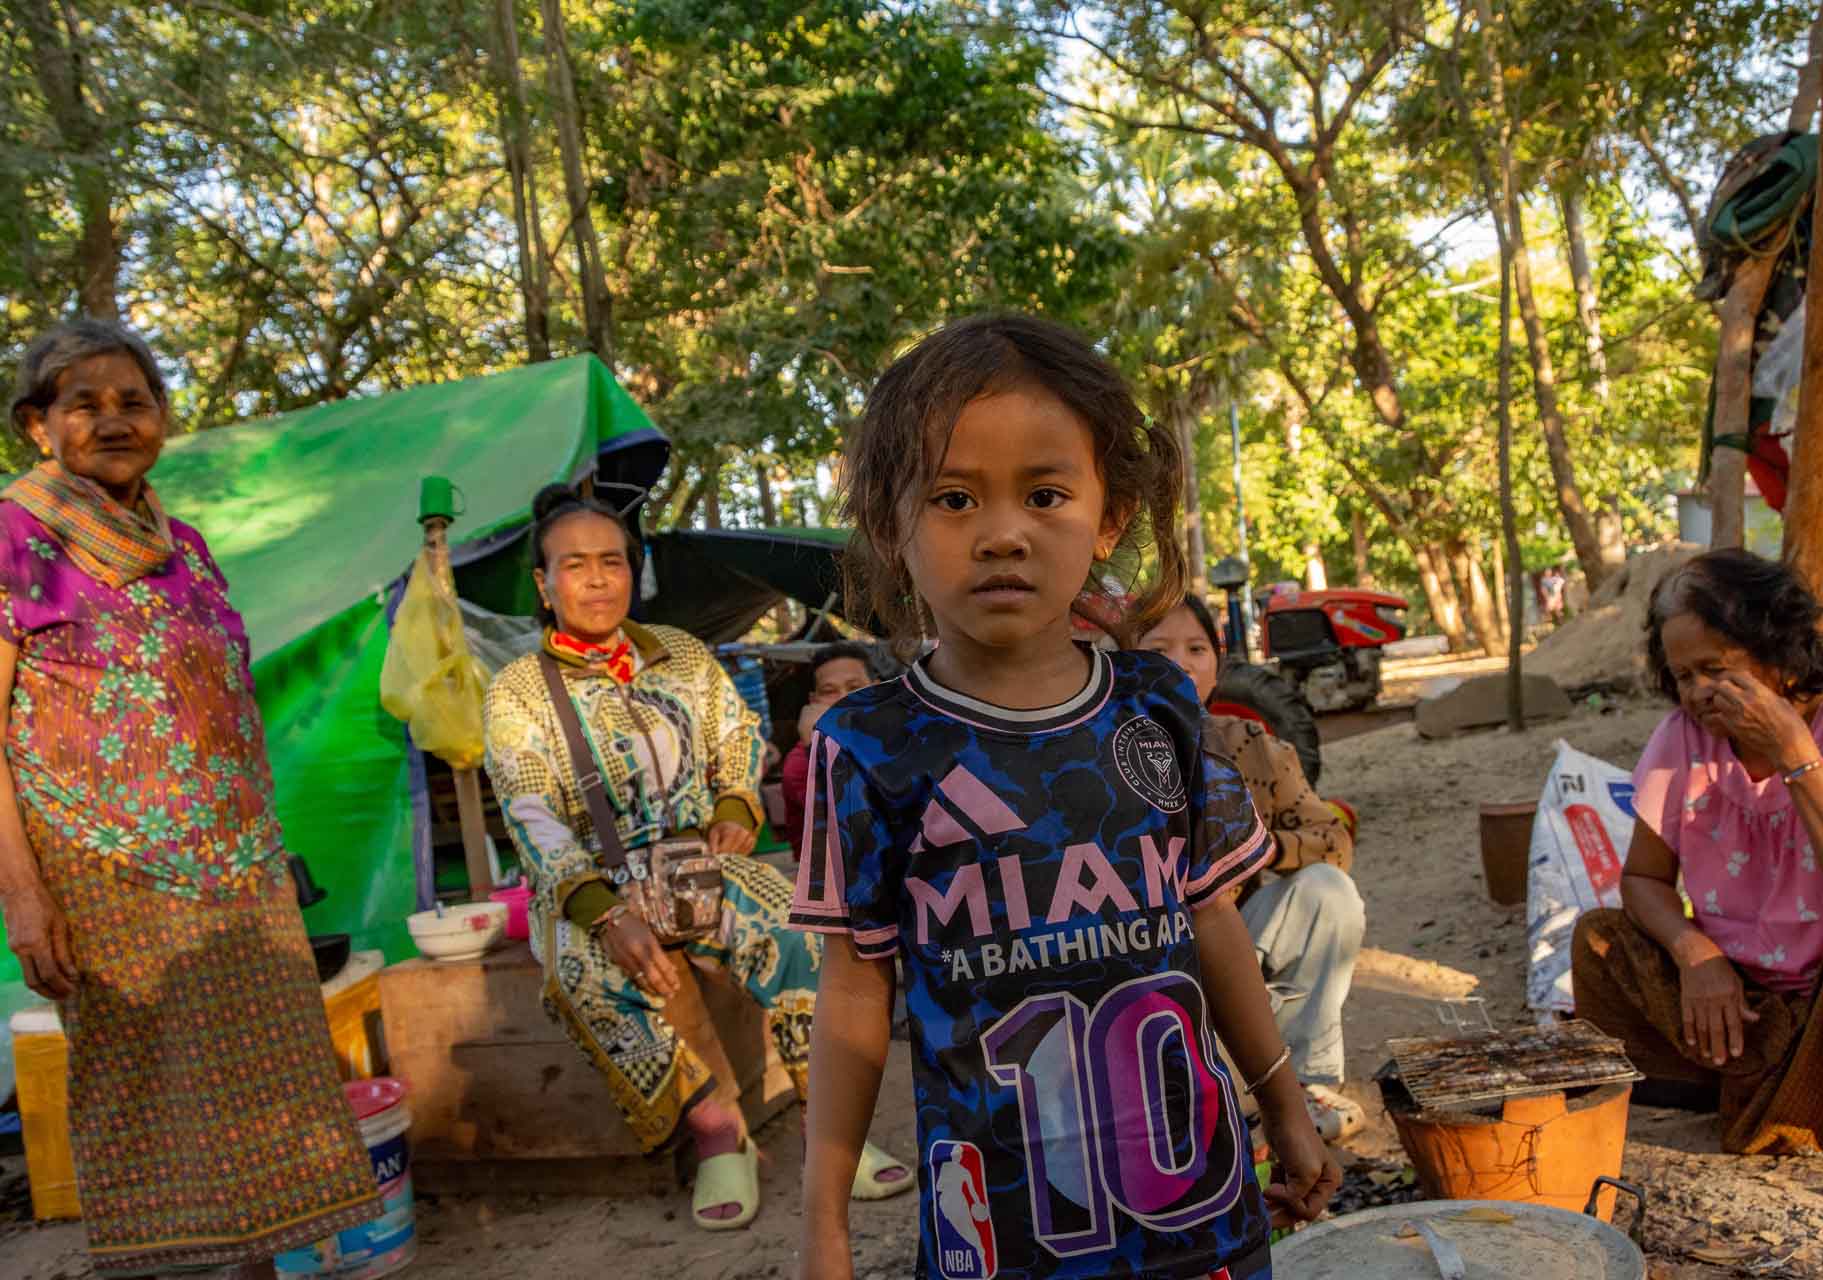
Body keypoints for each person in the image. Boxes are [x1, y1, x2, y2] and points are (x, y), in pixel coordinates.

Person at [791, 314, 1338, 1280]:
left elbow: (1211, 918)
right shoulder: (869, 746)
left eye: (1046, 495)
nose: (1003, 533)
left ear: (1109, 518)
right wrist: (823, 1222)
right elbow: (854, 988)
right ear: (888, 524)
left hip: (1201, 1216)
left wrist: (1284, 1105)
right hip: (1000, 1237)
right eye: (954, 499)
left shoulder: (1157, 705)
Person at [0, 320, 379, 1274]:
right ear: (37, 426)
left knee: (266, 1108)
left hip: (237, 873)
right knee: (155, 1113)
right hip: (111, 882)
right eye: (84, 403)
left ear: (163, 419)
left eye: (134, 401)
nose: (113, 420)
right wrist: (23, 896)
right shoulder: (13, 536)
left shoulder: (187, 547)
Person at [481, 484, 909, 1231]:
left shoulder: (679, 654)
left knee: (802, 928)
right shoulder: (517, 691)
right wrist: (605, 913)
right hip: (588, 883)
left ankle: (830, 1124)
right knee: (580, 978)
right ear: (545, 586)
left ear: (632, 570)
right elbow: (530, 810)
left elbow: (737, 737)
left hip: (693, 861)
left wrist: (736, 806)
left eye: (612, 561)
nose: (597, 579)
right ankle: (718, 1131)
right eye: (575, 565)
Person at [1573, 548, 1823, 1157]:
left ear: (1777, 655)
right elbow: (1643, 880)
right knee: (1600, 938)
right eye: (1684, 677)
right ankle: (1756, 1078)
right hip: (1738, 999)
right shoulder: (1683, 738)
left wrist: (1795, 756)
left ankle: (1817, 1095)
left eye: (1715, 669)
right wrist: (1695, 954)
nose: (1698, 693)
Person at [1141, 594, 1368, 1142]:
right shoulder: (1095, 753)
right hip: (1145, 964)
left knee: (1327, 891)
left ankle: (1308, 1083)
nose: (1181, 664)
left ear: (1217, 664)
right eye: (1158, 650)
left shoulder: (1251, 745)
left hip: (1238, 941)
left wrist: (1257, 848)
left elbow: (1332, 841)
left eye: (1196, 649)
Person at [780, 642, 878, 848]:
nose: (844, 699)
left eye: (854, 687)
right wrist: (814, 746)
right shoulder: (800, 763)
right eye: (829, 691)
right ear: (813, 700)